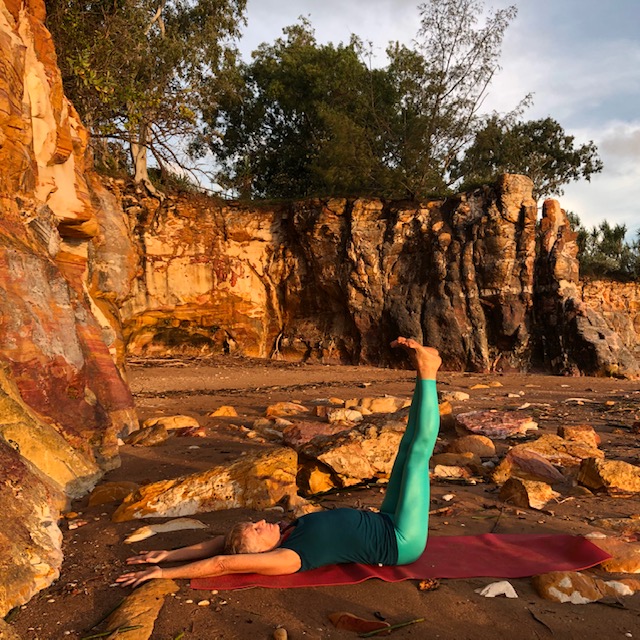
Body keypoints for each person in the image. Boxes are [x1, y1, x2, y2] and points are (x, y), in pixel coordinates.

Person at [116, 337, 441, 588]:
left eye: (253, 524)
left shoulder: (284, 532)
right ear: (259, 554)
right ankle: (428, 372)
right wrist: (163, 573)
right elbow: (222, 564)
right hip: (401, 541)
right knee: (416, 457)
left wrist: (170, 553)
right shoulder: (287, 557)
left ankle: (421, 372)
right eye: (257, 531)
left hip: (386, 519)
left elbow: (219, 546)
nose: (260, 522)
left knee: (405, 451)